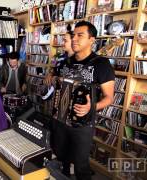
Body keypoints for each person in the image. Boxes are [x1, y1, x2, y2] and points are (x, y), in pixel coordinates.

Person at [49, 21, 115, 180]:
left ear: (92, 40)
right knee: (61, 157)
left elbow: (109, 98)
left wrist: (91, 107)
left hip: (82, 124)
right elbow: (57, 84)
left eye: (80, 35)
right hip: (60, 120)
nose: (74, 39)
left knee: (80, 166)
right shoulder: (65, 62)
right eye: (73, 36)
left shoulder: (101, 64)